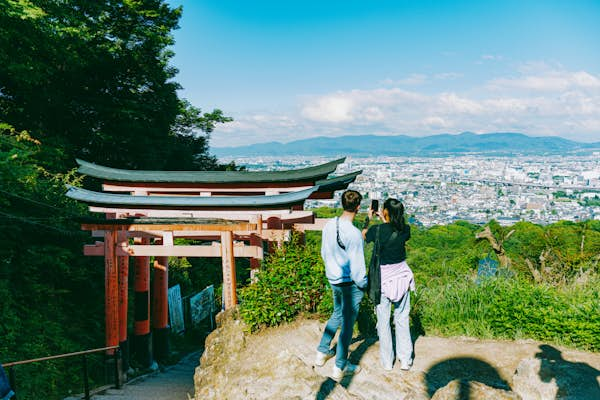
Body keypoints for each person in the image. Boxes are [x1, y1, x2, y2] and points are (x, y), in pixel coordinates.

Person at [315, 189, 368, 380]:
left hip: (333, 279)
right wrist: (364, 285)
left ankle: (322, 352)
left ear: (342, 204)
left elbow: (324, 252)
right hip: (349, 284)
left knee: (337, 314)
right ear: (358, 207)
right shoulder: (353, 234)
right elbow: (358, 269)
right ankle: (340, 366)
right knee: (347, 325)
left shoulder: (330, 224)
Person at [363, 198, 414, 371]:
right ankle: (405, 359)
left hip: (383, 280)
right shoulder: (406, 230)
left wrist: (368, 219)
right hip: (402, 278)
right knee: (402, 319)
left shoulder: (377, 231)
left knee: (383, 322)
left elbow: (364, 235)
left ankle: (387, 362)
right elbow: (394, 230)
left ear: (385, 212)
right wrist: (386, 219)